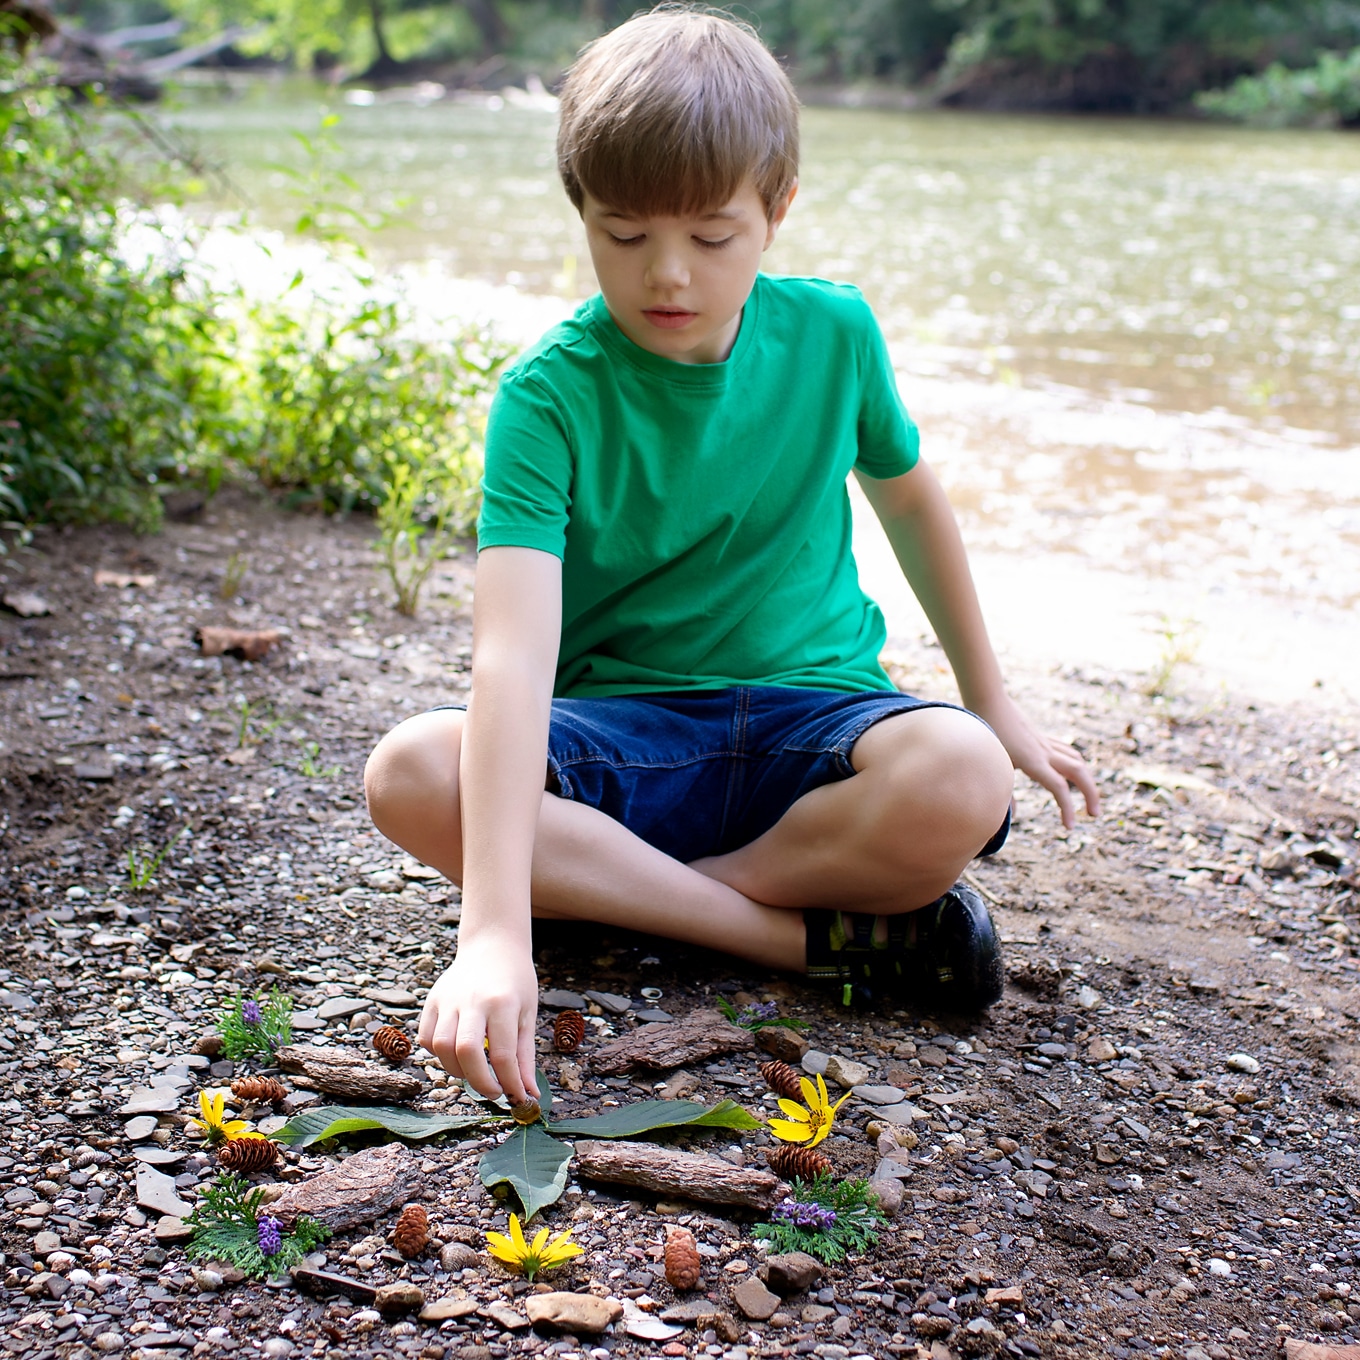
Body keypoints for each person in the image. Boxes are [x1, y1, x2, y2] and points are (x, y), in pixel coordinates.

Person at [363, 4, 1099, 1107]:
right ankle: (792, 941)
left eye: (711, 237)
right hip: (628, 742)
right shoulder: (548, 396)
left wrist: (992, 699)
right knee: (410, 774)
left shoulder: (834, 334)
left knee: (959, 776)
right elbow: (509, 660)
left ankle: (636, 900)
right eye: (623, 234)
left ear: (776, 211)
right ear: (582, 215)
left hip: (815, 720)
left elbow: (911, 501)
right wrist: (491, 936)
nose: (668, 274)